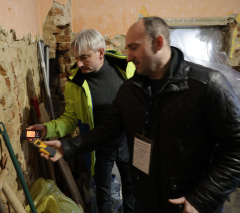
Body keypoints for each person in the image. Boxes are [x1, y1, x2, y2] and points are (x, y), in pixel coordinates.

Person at [39, 17, 240, 213]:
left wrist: (204, 197)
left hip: (190, 202)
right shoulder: (131, 89)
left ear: (158, 43)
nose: (128, 57)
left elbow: (235, 149)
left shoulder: (208, 84)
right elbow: (108, 130)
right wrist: (67, 147)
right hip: (146, 200)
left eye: (134, 47)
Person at [27, 29, 136, 212]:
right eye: (76, 57)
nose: (79, 63)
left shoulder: (127, 68)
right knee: (103, 196)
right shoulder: (75, 83)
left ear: (100, 52)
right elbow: (70, 119)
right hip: (99, 145)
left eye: (84, 57)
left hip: (129, 142)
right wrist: (46, 129)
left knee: (133, 191)